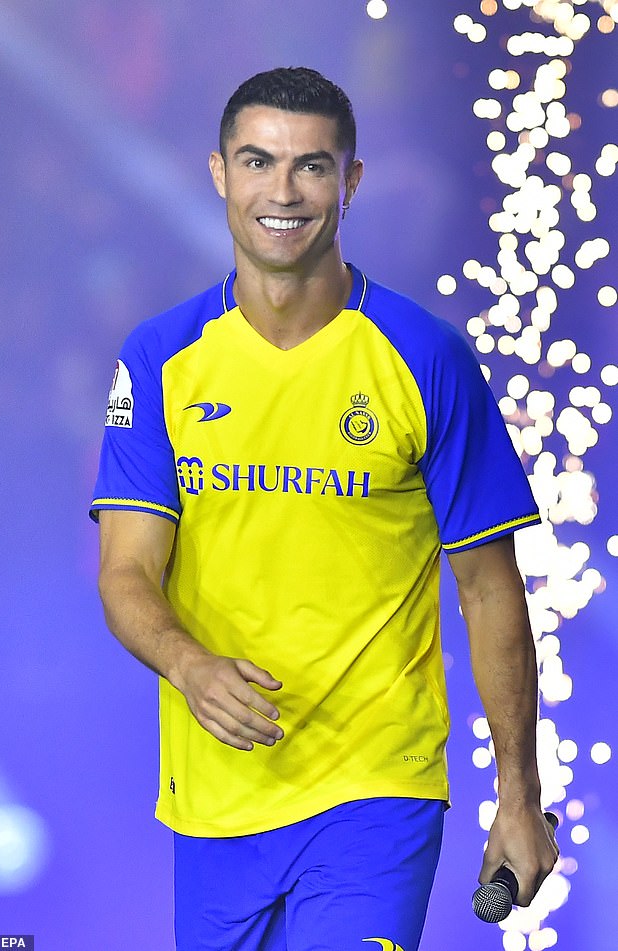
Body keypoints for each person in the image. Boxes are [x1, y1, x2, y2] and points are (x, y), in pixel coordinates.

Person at [91, 67, 558, 951]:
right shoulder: (158, 359)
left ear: (350, 182)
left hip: (376, 788)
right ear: (219, 172)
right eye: (258, 161)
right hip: (216, 797)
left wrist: (518, 798)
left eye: (311, 166)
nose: (283, 190)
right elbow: (125, 572)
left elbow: (491, 590)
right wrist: (189, 667)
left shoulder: (426, 357)